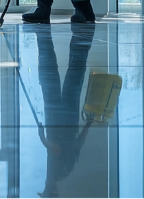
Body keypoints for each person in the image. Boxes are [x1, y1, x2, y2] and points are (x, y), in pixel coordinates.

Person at [33, 24, 96, 198]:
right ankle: (44, 37)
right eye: (45, 193)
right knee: (49, 73)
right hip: (57, 120)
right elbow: (57, 150)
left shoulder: (66, 172)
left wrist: (87, 126)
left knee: (74, 75)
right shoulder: (55, 174)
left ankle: (82, 35)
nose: (44, 190)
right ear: (50, 192)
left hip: (69, 118)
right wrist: (42, 137)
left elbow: (77, 146)